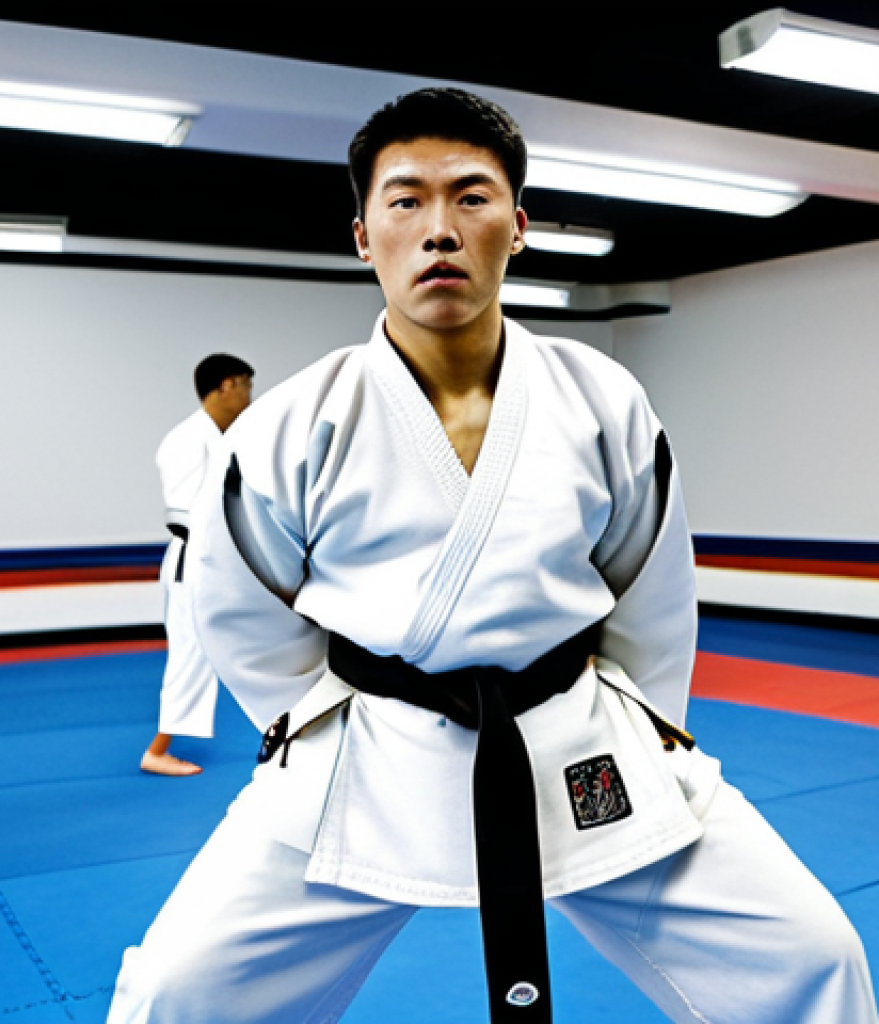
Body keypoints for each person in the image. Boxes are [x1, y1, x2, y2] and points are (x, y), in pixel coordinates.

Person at [109, 89, 876, 1021]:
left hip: (575, 740)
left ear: (516, 227)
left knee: (813, 956)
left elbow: (652, 595)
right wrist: (325, 722)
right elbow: (242, 613)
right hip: (370, 751)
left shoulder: (602, 398)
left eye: (471, 198)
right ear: (363, 235)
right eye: (406, 201)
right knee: (175, 988)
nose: (440, 229)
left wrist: (636, 727)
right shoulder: (291, 425)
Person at [139, 353, 254, 776]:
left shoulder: (224, 437)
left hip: (218, 562)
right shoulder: (186, 439)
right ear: (226, 385)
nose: (249, 396)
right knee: (192, 653)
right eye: (245, 385)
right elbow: (184, 513)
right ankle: (156, 750)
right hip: (195, 561)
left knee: (250, 644)